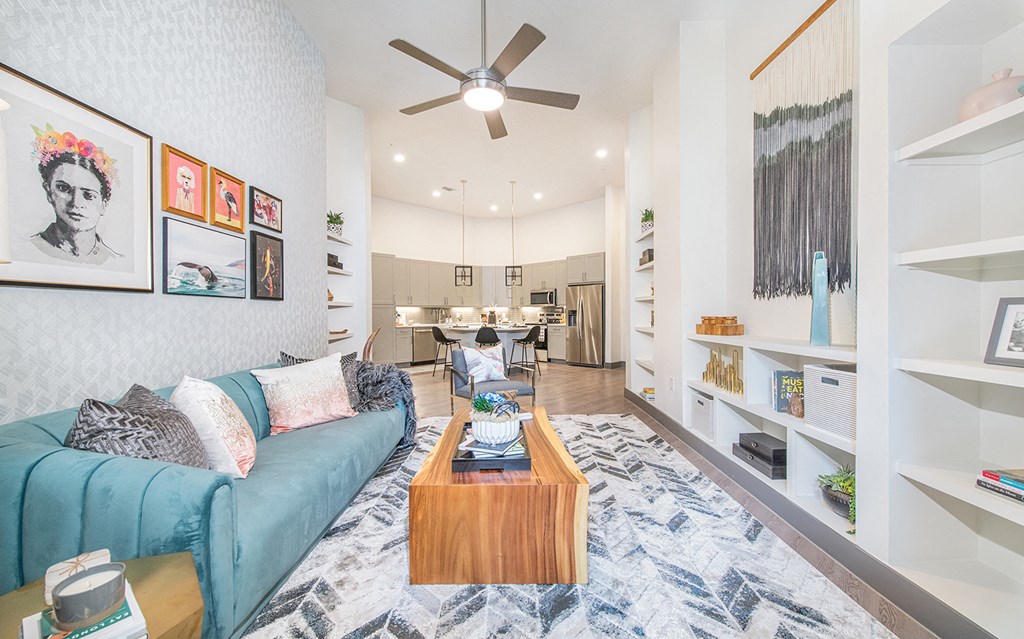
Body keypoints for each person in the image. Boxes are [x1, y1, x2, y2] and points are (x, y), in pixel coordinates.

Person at [30, 124, 121, 264]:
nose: (75, 203)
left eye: (89, 195)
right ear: (48, 191)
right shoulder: (29, 249)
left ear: (104, 205)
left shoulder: (114, 261)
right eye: (63, 188)